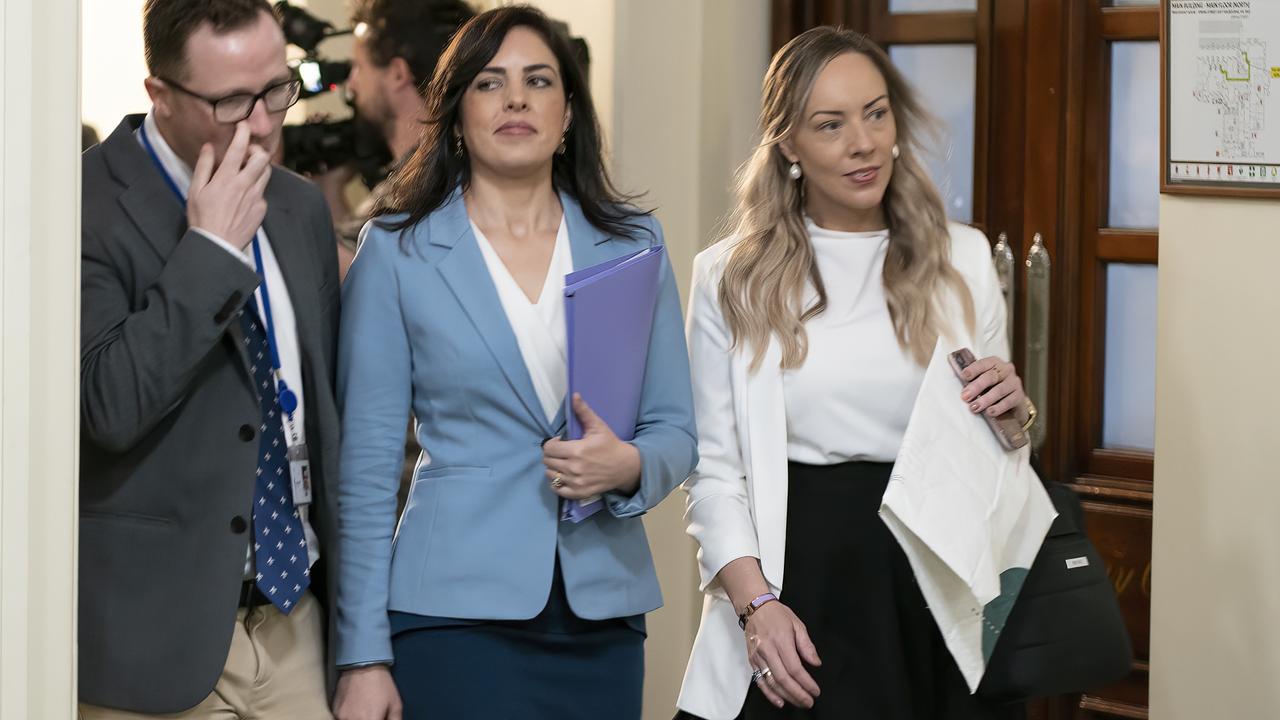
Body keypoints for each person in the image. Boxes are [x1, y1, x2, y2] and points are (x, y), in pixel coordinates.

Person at [332, 6, 698, 720]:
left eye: (538, 81)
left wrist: (626, 467)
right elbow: (367, 472)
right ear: (457, 112)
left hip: (601, 614)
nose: (517, 99)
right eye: (490, 83)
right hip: (451, 613)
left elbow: (676, 428)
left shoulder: (633, 245)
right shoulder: (397, 251)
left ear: (568, 116)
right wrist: (362, 655)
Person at [675, 27, 1033, 720]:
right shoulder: (730, 277)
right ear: (788, 145)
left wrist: (1016, 418)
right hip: (796, 586)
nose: (863, 143)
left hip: (938, 585)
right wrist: (758, 608)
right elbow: (713, 474)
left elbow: (1000, 460)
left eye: (876, 113)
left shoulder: (962, 259)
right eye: (830, 124)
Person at [78, 1, 341, 717]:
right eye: (231, 101)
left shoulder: (298, 207)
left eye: (276, 89)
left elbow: (323, 413)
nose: (262, 123)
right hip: (154, 635)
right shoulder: (83, 203)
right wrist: (212, 254)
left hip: (298, 623)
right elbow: (109, 406)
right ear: (159, 95)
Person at [313, 0, 474, 280]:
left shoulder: (426, 184)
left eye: (359, 68)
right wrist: (330, 188)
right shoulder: (453, 166)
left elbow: (356, 280)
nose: (351, 84)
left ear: (398, 73)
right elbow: (355, 244)